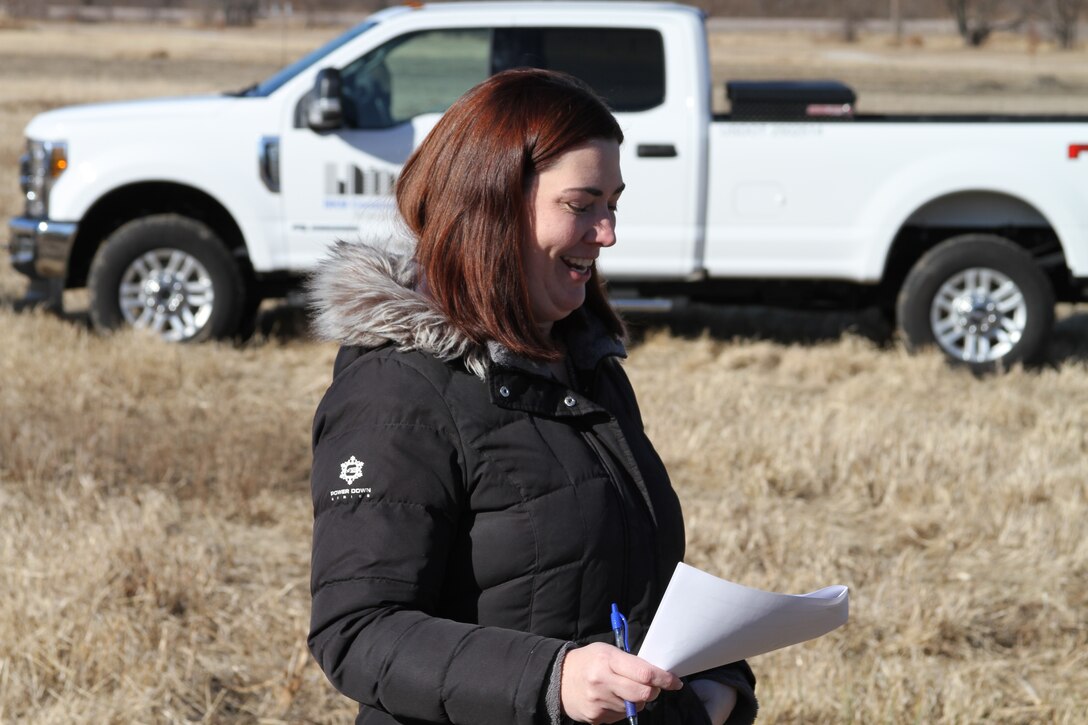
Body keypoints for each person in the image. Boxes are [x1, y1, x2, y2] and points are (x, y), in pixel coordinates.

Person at [307, 68, 757, 725]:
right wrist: (554, 677)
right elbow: (357, 630)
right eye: (581, 205)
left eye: (613, 204)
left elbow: (618, 577)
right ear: (492, 204)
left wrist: (715, 681)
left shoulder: (584, 366)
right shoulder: (395, 391)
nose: (606, 234)